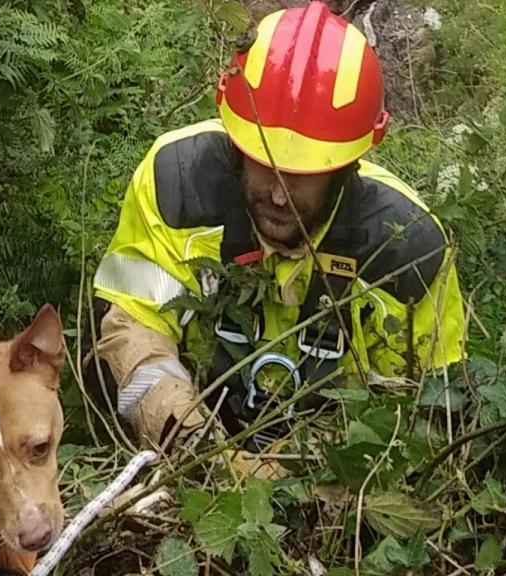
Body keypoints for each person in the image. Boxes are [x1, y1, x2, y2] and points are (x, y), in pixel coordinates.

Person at [83, 1, 466, 459]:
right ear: (235, 143)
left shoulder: (407, 249)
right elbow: (127, 326)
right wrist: (196, 446)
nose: (280, 195)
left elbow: (431, 411)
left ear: (348, 165)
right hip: (191, 450)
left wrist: (308, 482)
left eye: (303, 175)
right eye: (264, 167)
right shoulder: (176, 184)